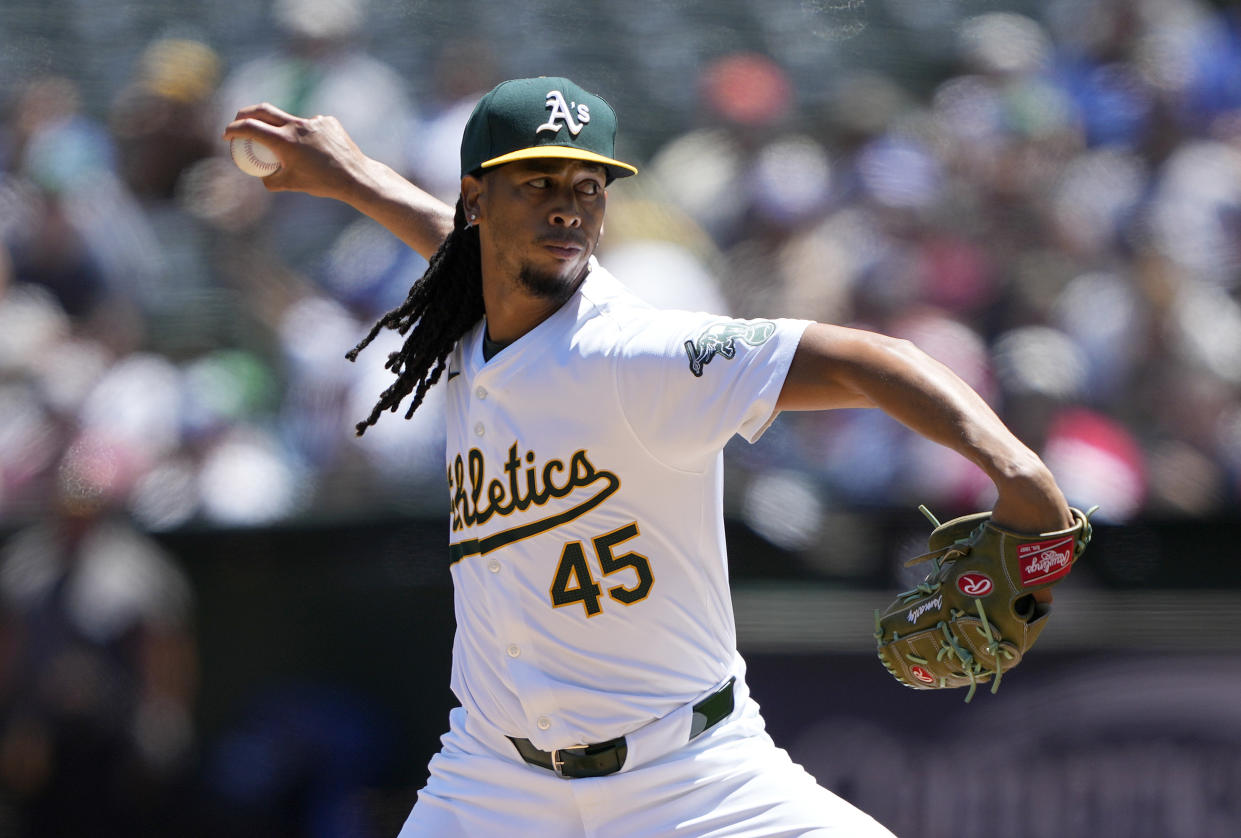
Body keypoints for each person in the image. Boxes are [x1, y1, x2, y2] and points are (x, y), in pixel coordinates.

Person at [224, 76, 1073, 837]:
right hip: (491, 784)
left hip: (694, 783)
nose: (568, 207)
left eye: (587, 187)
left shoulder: (637, 353)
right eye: (540, 183)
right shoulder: (462, 308)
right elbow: (448, 245)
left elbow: (867, 359)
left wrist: (1019, 473)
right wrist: (349, 174)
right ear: (477, 200)